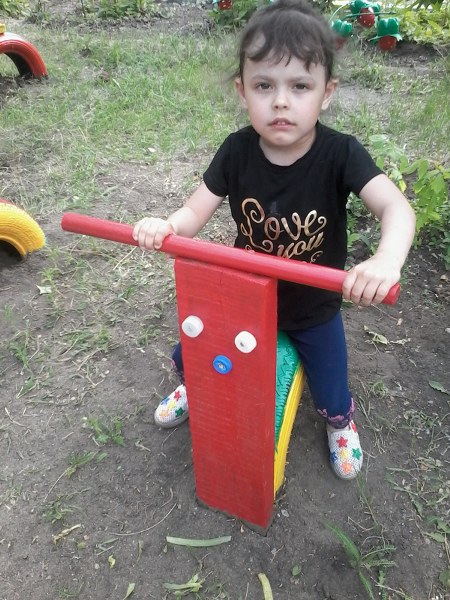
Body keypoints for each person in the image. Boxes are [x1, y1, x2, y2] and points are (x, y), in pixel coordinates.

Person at [133, 0, 416, 480]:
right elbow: (194, 211)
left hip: (312, 305)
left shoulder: (341, 154)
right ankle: (196, 386)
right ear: (243, 91)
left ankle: (340, 422)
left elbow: (396, 208)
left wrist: (386, 259)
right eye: (264, 85)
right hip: (245, 296)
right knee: (192, 350)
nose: (281, 101)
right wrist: (168, 226)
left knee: (329, 384)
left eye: (299, 86)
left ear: (326, 93)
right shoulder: (236, 150)